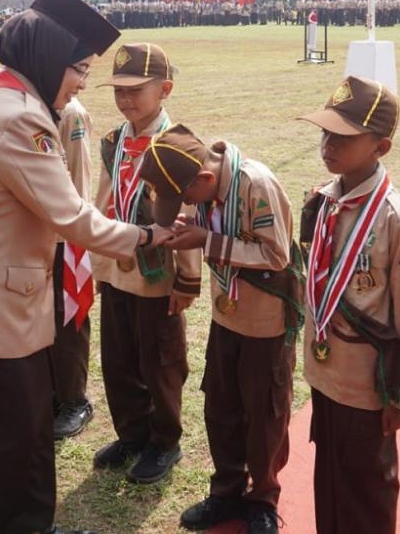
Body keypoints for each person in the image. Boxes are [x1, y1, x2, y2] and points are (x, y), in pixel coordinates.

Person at [0, 0, 174, 534]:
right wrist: (148, 235)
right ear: (50, 59)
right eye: (79, 70)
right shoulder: (20, 120)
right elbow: (75, 219)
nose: (81, 84)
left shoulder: (3, 101)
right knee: (11, 436)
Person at [139, 125, 302, 534]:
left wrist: (207, 241)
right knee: (221, 408)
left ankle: (262, 499)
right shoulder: (209, 184)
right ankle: (226, 492)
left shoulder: (255, 184)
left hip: (265, 322)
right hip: (225, 317)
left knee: (264, 415)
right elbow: (206, 221)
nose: (189, 204)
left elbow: (276, 255)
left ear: (205, 179)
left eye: (187, 196)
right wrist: (187, 229)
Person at [295, 76, 400, 534]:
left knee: (367, 485)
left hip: (369, 383)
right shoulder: (323, 201)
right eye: (325, 133)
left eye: (344, 138)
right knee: (329, 472)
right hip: (326, 372)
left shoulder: (396, 219)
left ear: (381, 147)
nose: (329, 145)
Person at [89, 43, 201, 481]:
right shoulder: (115, 141)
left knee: (160, 360)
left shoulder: (175, 144)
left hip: (158, 273)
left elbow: (188, 216)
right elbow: (103, 200)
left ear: (165, 89)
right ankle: (132, 433)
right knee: (118, 357)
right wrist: (98, 263)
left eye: (136, 89)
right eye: (119, 89)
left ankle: (164, 441)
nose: (126, 98)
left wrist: (187, 280)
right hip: (118, 265)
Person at [49, 94, 97, 440]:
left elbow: (79, 181)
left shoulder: (71, 113)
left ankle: (74, 400)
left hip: (64, 237)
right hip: (33, 234)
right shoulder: (32, 106)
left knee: (68, 320)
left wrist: (74, 239)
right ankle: (48, 392)